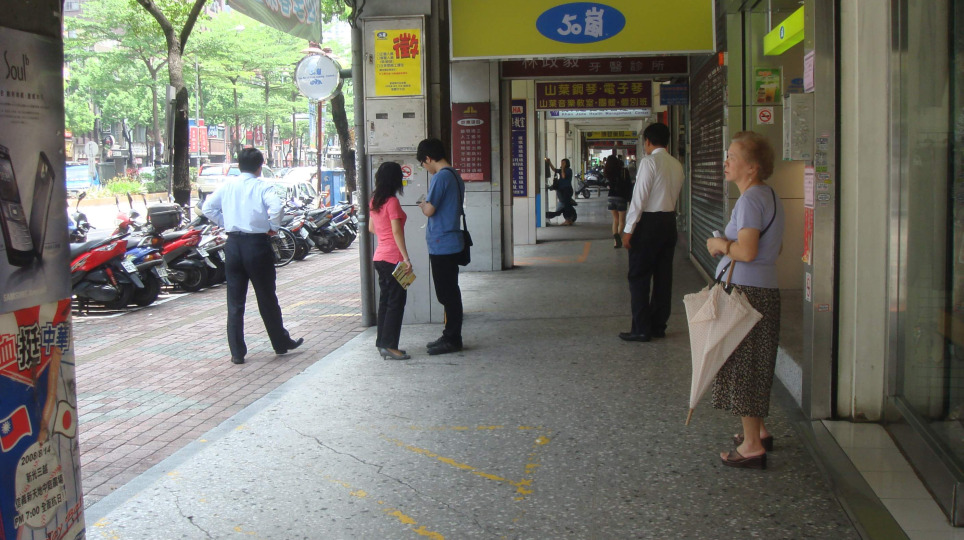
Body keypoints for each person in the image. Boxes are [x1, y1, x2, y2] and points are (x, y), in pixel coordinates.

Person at [705, 131, 784, 469]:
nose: (726, 162)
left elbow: (748, 251)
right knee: (755, 363)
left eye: (732, 157)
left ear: (752, 167)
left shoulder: (750, 200)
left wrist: (720, 245)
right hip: (764, 290)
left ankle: (752, 445)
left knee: (746, 366)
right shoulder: (769, 196)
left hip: (748, 293)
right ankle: (759, 431)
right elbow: (774, 248)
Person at [202, 147, 303, 364]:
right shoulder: (262, 186)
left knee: (235, 301)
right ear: (260, 166)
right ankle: (280, 342)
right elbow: (276, 208)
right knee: (267, 297)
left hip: (233, 245)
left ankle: (237, 352)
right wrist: (272, 227)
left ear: (239, 165)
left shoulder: (227, 186)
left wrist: (226, 223)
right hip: (256, 245)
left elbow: (207, 208)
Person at [620, 122, 684, 342]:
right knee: (663, 277)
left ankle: (641, 328)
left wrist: (628, 229)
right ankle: (658, 325)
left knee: (639, 276)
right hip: (669, 222)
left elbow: (639, 199)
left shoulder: (649, 162)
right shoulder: (676, 164)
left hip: (648, 224)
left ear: (647, 141)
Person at [416, 138, 464, 355]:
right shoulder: (454, 174)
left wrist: (422, 204)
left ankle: (452, 338)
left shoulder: (440, 177)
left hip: (441, 243)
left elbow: (430, 210)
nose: (425, 167)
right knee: (450, 291)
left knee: (447, 294)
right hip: (451, 240)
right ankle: (449, 335)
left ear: (428, 158)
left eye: (423, 163)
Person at [369, 161, 413, 360]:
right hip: (393, 258)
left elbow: (372, 228)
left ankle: (382, 343)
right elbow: (396, 231)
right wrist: (406, 258)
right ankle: (390, 345)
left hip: (379, 257)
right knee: (396, 303)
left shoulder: (374, 201)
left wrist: (384, 235)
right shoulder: (392, 202)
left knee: (385, 302)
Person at [605, 154, 633, 248]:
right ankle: (617, 239)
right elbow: (629, 185)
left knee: (615, 220)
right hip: (621, 197)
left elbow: (606, 184)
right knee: (621, 221)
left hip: (611, 197)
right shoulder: (624, 171)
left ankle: (615, 241)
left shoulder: (608, 172)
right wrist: (629, 198)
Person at [544, 157, 576, 225]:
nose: (562, 164)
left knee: (567, 205)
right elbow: (554, 169)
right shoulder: (561, 170)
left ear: (567, 164)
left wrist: (563, 168)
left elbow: (563, 176)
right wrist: (549, 162)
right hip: (561, 190)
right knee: (565, 204)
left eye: (563, 163)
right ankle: (568, 219)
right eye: (561, 163)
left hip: (567, 190)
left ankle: (568, 220)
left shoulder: (568, 170)